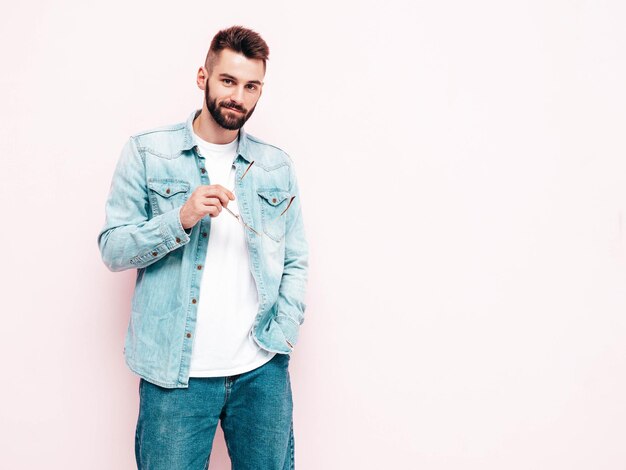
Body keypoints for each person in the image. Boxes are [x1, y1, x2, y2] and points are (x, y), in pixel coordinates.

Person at [97, 25, 308, 470]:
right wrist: (180, 218)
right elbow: (113, 248)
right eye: (228, 81)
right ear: (203, 77)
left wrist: (282, 336)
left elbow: (295, 259)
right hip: (176, 376)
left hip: (261, 371)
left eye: (252, 86)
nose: (239, 96)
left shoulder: (275, 166)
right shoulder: (148, 153)